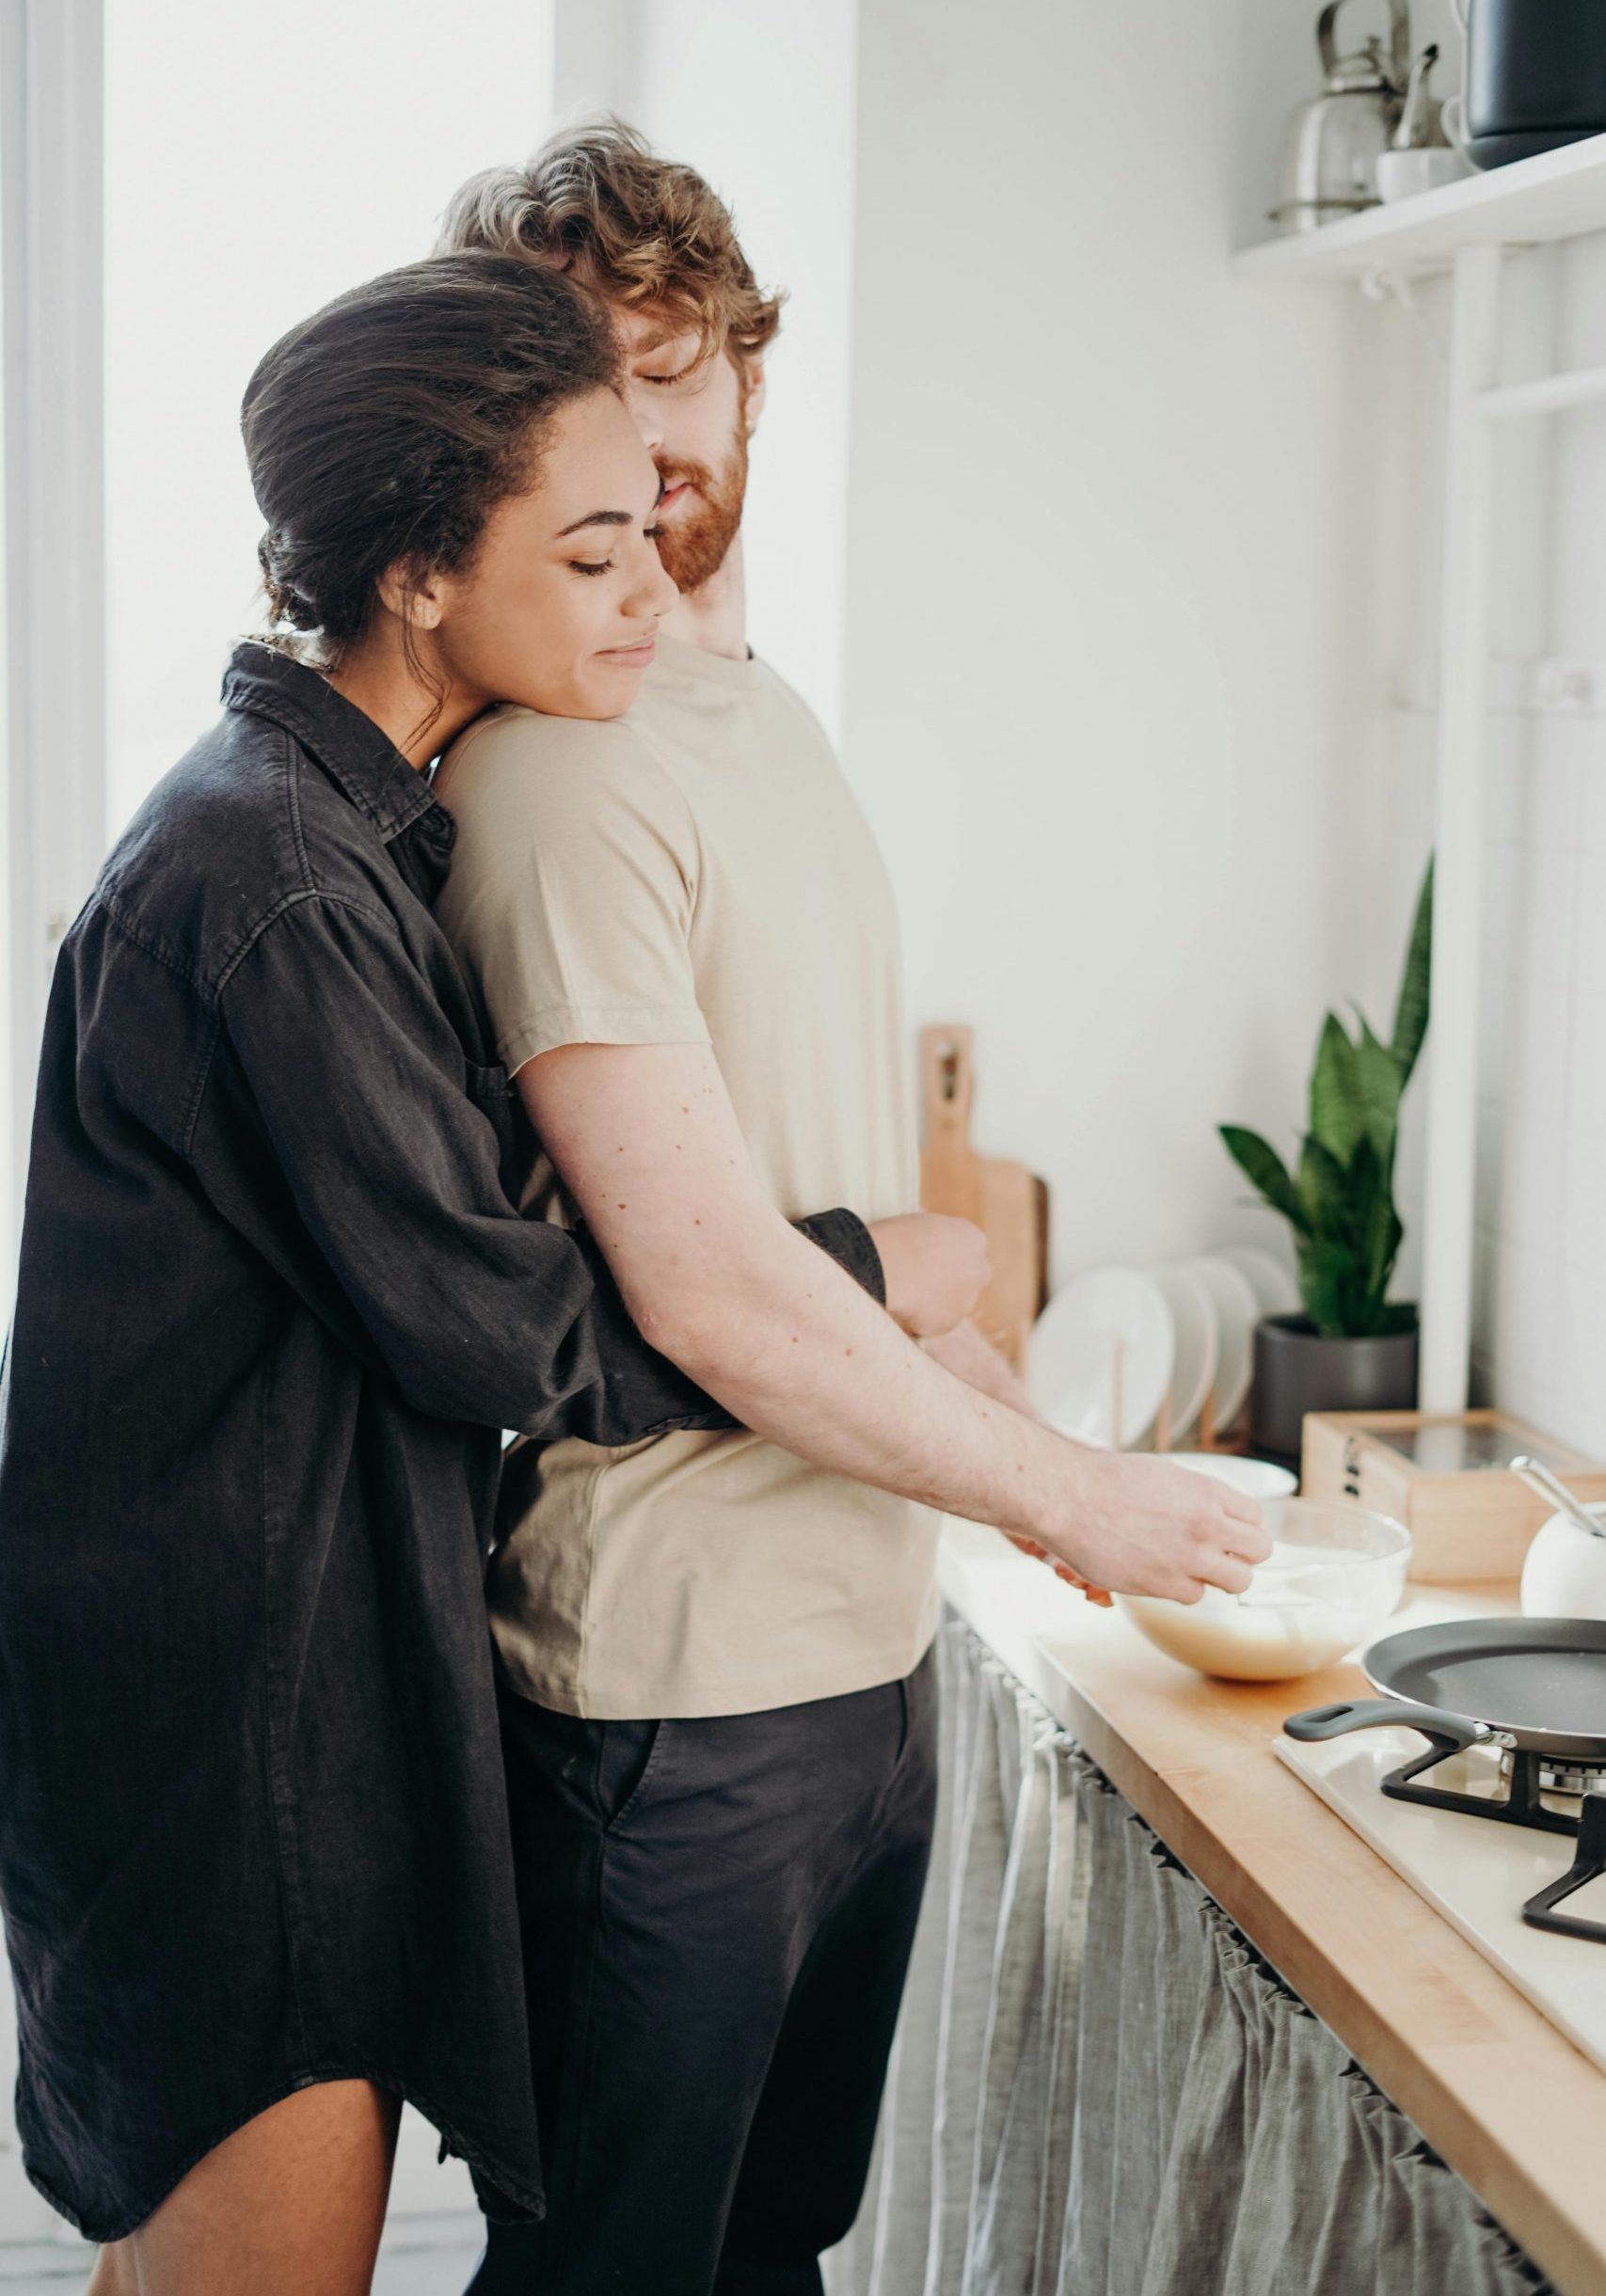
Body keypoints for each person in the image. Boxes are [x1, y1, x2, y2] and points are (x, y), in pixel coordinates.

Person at [0, 251, 952, 2296]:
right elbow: (502, 1324)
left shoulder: (346, 829)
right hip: (229, 1743)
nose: (646, 593)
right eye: (594, 547)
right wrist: (866, 1265)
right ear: (421, 574)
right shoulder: (265, 879)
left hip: (292, 1693)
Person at [433, 124, 1266, 2296]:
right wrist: (1068, 1508)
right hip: (670, 1693)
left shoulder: (744, 715)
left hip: (857, 1656)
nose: (650, 428)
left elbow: (826, 1212)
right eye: (585, 381)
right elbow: (706, 1290)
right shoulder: (557, 768)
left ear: (748, 381)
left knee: (772, 2256)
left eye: (679, 364)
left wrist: (1053, 1471)